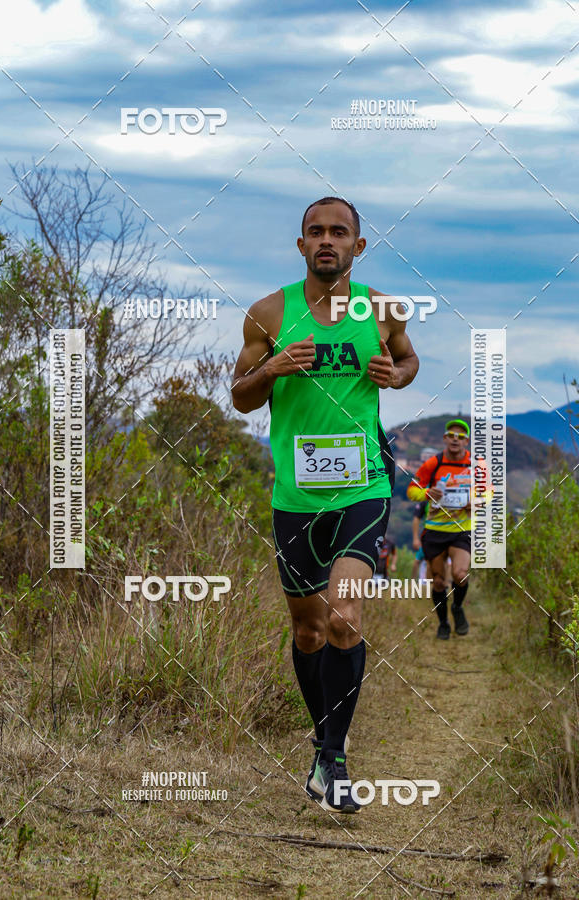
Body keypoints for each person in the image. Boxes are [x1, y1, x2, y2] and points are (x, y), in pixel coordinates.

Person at [232, 196, 419, 812]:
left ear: (358, 247)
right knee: (309, 631)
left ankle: (334, 760)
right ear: (301, 244)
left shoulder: (382, 309)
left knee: (344, 617)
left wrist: (397, 375)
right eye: (316, 232)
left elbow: (408, 358)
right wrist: (273, 370)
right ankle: (322, 745)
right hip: (296, 496)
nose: (327, 241)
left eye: (339, 232)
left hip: (364, 485)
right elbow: (239, 397)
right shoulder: (268, 314)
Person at [406, 419, 473, 639]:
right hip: (435, 530)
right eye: (451, 435)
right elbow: (411, 491)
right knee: (438, 582)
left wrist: (477, 501)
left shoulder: (475, 465)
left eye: (460, 437)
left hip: (461, 529)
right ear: (445, 438)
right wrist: (426, 493)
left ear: (466, 441)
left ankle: (458, 607)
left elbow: (489, 491)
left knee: (460, 574)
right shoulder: (432, 464)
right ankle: (443, 622)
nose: (455, 440)